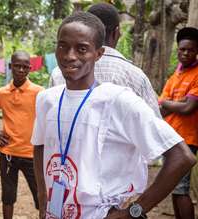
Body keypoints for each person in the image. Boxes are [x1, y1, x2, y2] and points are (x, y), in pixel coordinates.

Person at [32, 12, 196, 219]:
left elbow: (182, 157)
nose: (69, 56)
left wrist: (134, 212)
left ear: (98, 54)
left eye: (82, 49)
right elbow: (39, 145)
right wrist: (43, 195)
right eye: (63, 46)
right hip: (56, 211)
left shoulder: (118, 100)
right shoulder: (47, 99)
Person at [48, 3, 161, 118]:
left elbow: (52, 116)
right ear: (116, 32)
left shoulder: (58, 73)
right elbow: (155, 123)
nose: (70, 56)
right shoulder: (134, 76)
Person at [0, 51, 43, 219]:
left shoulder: (39, 92)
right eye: (17, 66)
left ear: (30, 69)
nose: (21, 70)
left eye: (25, 67)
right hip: (8, 154)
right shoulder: (2, 93)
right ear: (11, 67)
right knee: (8, 197)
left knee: (41, 196)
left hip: (33, 154)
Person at [159, 27, 198, 219]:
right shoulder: (175, 76)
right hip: (170, 137)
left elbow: (188, 108)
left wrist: (170, 103)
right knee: (174, 189)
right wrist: (176, 103)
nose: (185, 53)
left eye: (190, 50)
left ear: (196, 50)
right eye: (182, 49)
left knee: (181, 189)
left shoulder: (197, 74)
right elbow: (160, 109)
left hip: (187, 139)